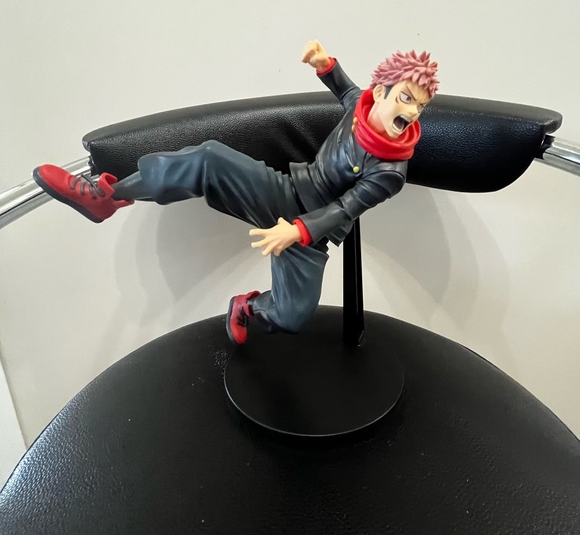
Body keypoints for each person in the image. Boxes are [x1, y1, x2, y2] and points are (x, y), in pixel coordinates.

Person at [33, 40, 439, 345]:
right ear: (381, 92)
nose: (412, 112)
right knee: (209, 158)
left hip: (311, 233)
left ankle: (247, 307)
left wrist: (297, 231)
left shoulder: (391, 171)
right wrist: (325, 65)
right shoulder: (360, 107)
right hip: (286, 190)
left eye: (419, 106)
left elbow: (345, 208)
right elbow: (347, 90)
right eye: (406, 99)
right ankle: (107, 196)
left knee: (293, 316)